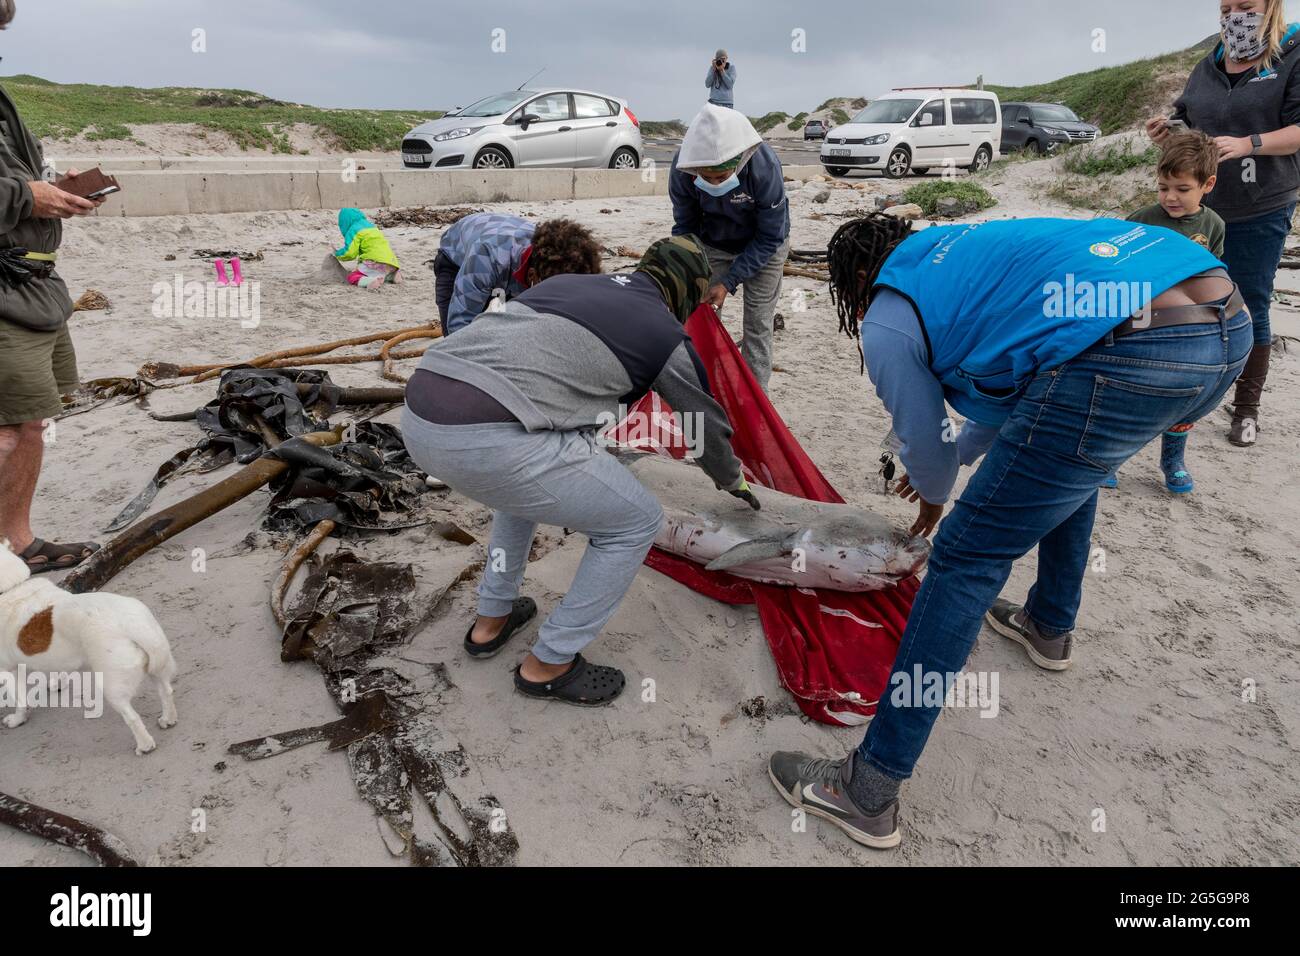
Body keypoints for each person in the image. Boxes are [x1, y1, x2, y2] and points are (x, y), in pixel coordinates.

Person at [766, 213, 1250, 849]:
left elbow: (925, 442)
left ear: (859, 276)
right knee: (1073, 455)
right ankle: (1048, 625)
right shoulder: (959, 255)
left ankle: (867, 789)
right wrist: (955, 462)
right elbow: (1017, 401)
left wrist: (935, 509)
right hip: (1226, 328)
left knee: (966, 557)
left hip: (1132, 351)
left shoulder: (888, 313)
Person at [401, 235, 758, 706]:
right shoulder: (662, 332)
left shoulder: (567, 284)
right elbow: (703, 427)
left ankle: (491, 620)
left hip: (419, 415)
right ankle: (549, 663)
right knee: (636, 522)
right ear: (686, 293)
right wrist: (731, 480)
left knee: (521, 493)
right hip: (484, 440)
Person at [1146, 0, 1300, 447]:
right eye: (1227, 6)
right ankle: (1186, 392)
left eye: (1246, 6)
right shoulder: (1209, 64)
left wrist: (1251, 143)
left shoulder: (1292, 55)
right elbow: (1189, 121)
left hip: (1261, 205)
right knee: (1186, 296)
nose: (1236, 15)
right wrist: (1167, 131)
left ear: (1271, 7)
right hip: (1199, 207)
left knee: (1251, 300)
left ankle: (1246, 409)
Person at [0, 0, 107, 574]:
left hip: (35, 287)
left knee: (28, 421)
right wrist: (28, 197)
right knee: (8, 430)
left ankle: (15, 544)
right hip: (4, 290)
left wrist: (51, 190)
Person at [1105, 131, 1227, 494]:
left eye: (1182, 189)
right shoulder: (1142, 219)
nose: (1171, 197)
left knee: (1184, 394)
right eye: (1163, 187)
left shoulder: (1213, 226)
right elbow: (1117, 265)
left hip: (1188, 324)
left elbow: (1214, 276)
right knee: (1129, 391)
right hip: (1141, 317)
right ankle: (1110, 458)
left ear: (1207, 184)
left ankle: (1172, 460)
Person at [669, 105, 790, 391]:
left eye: (721, 177)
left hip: (764, 243)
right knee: (701, 316)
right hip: (713, 242)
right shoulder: (682, 169)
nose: (713, 183)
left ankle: (754, 398)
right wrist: (688, 270)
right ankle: (704, 389)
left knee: (758, 324)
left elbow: (771, 236)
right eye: (706, 177)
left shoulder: (764, 166)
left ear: (739, 162)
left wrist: (730, 281)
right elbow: (685, 226)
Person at [432, 212, 601, 334]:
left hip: (505, 253)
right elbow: (460, 324)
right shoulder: (487, 258)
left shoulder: (552, 253)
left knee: (503, 330)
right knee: (456, 336)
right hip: (455, 258)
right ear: (532, 275)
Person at [333, 207, 401, 290]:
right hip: (391, 262)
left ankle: (370, 281)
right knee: (381, 272)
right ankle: (392, 276)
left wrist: (337, 253)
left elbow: (349, 253)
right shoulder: (372, 227)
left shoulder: (353, 230)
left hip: (375, 262)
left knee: (352, 276)